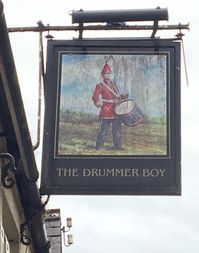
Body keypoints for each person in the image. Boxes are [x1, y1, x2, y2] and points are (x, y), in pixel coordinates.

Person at [92, 63, 128, 150]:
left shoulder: (114, 85)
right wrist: (97, 102)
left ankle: (118, 146)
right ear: (102, 75)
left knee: (117, 129)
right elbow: (95, 96)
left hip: (116, 110)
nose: (107, 75)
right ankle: (99, 146)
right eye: (106, 73)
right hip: (106, 110)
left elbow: (117, 96)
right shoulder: (100, 85)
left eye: (109, 73)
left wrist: (123, 96)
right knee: (104, 129)